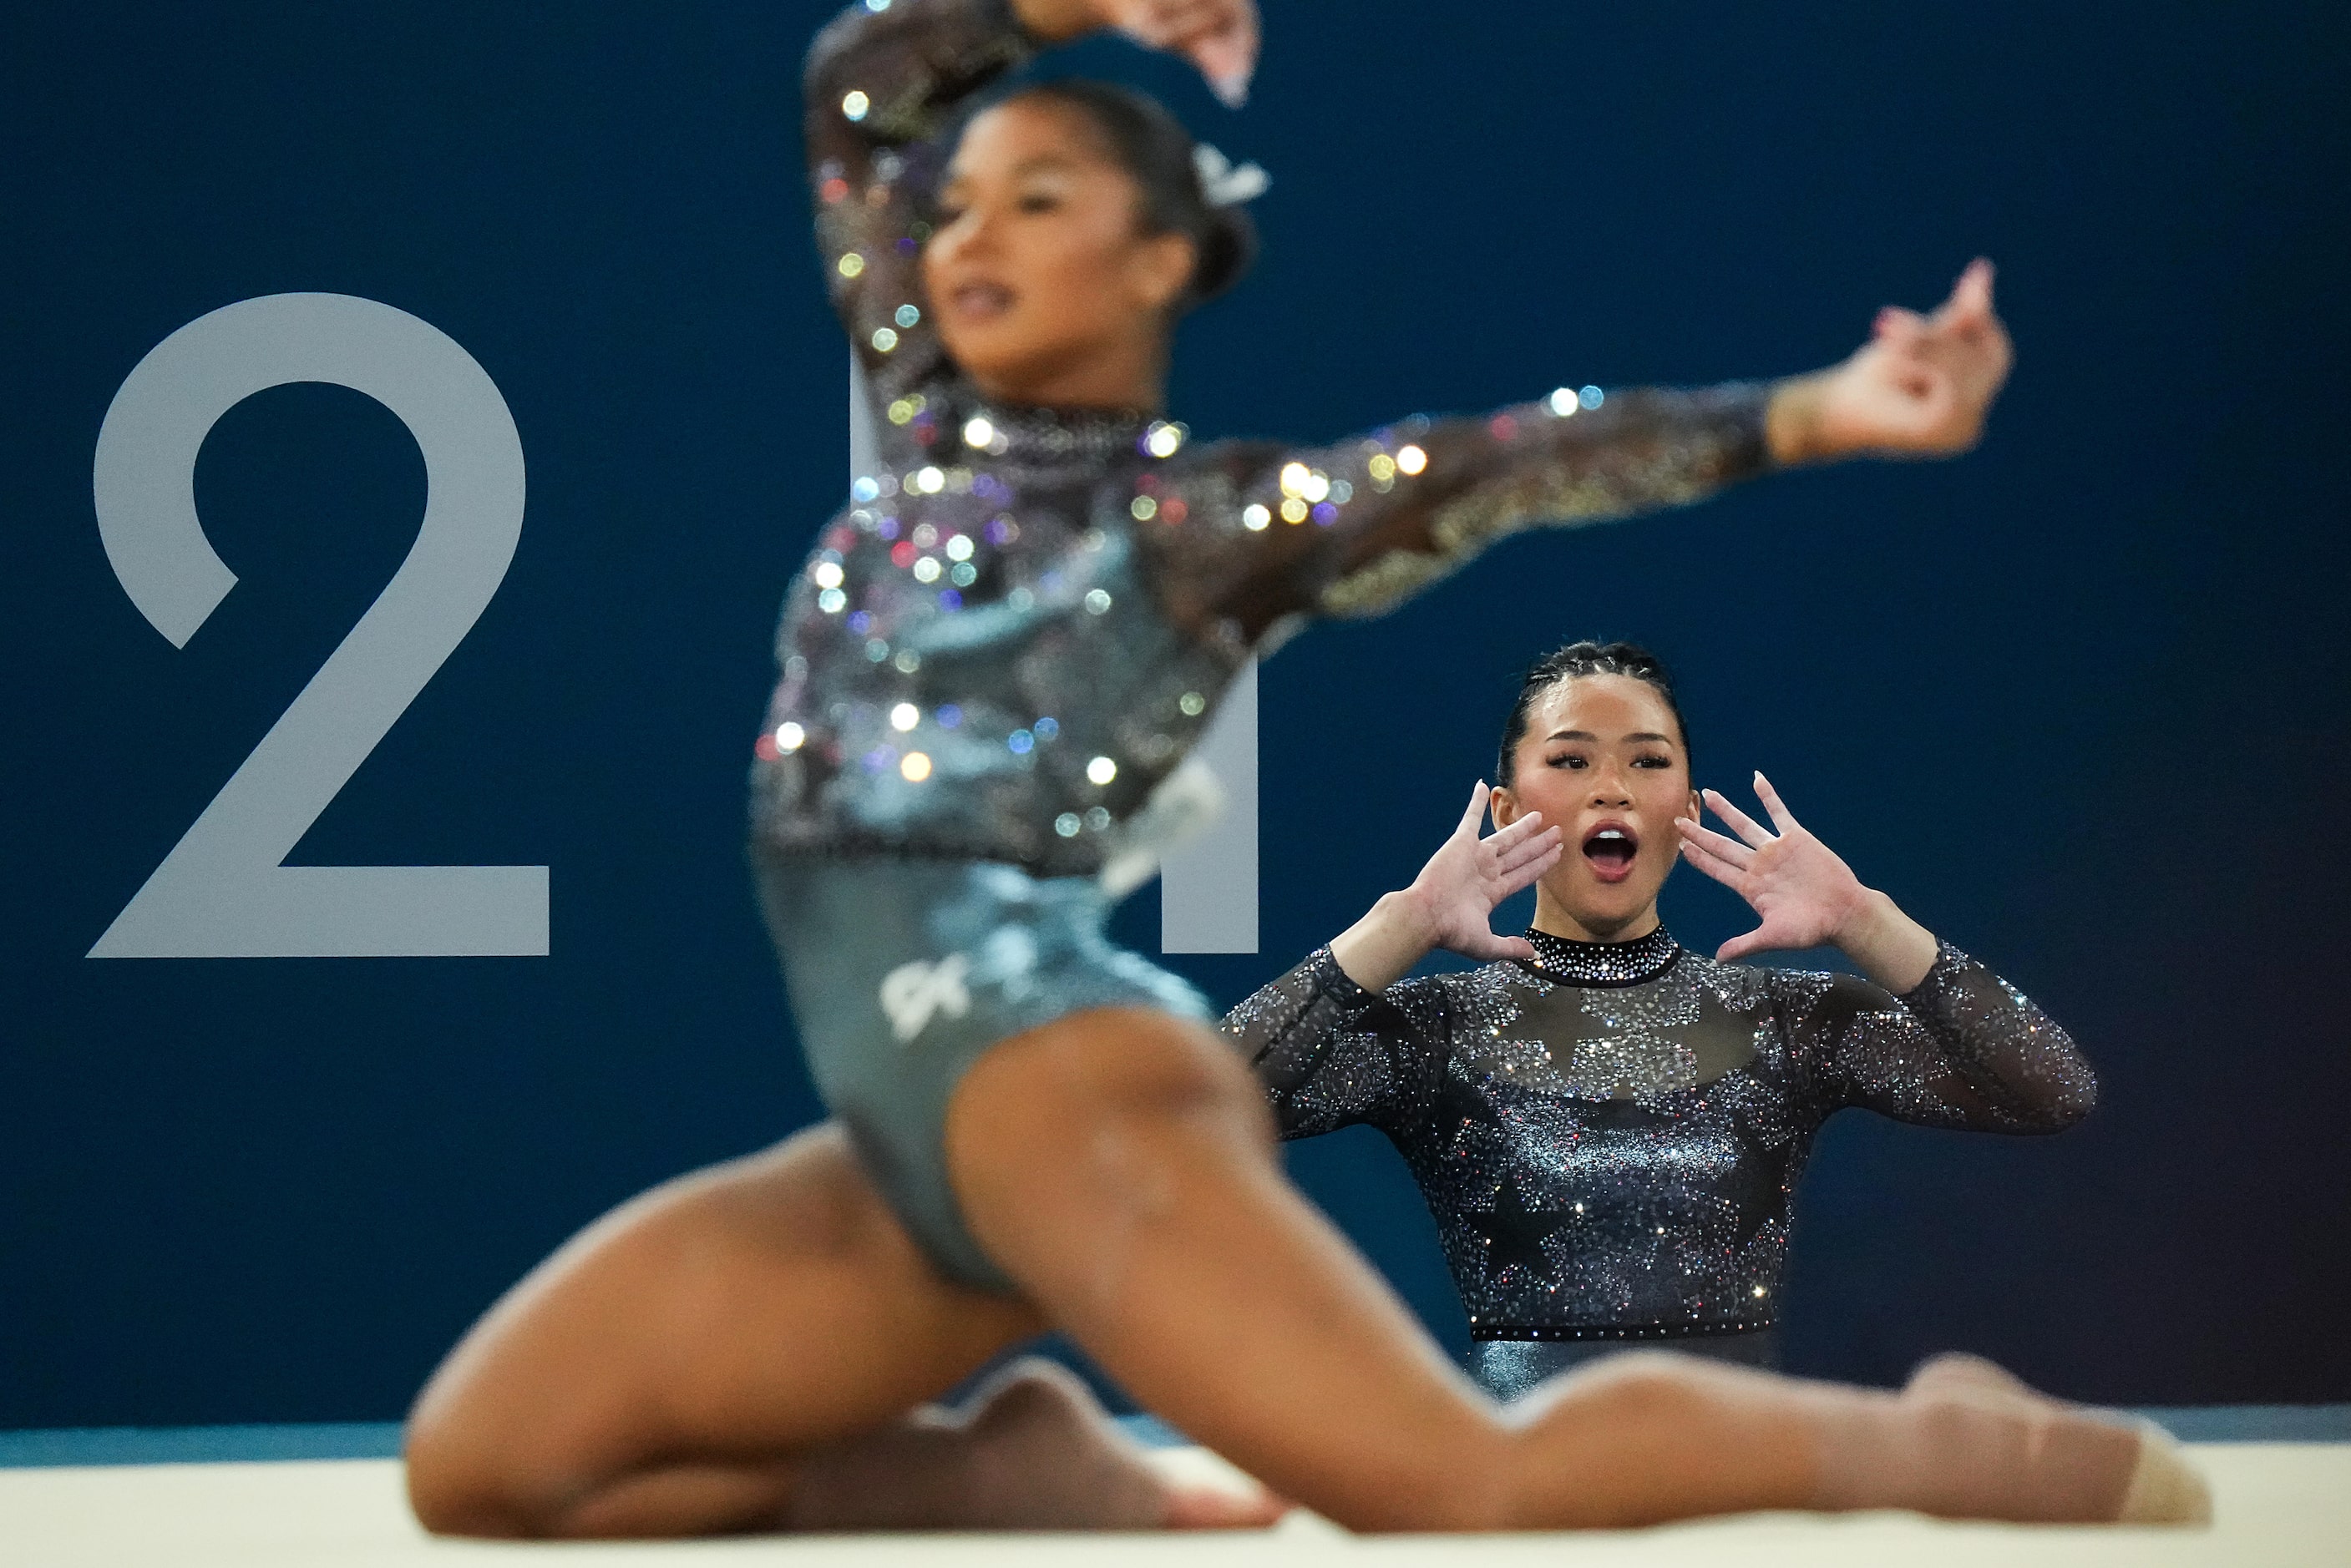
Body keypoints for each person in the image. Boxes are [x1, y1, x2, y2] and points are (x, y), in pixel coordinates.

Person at [402, 0, 2207, 1538]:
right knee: (491, 1471)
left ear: (1163, 259)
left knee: (1460, 1487)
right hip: (904, 1133)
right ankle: (1002, 1477)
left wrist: (1810, 413)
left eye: (1038, 200)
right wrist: (1084, 8)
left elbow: (1495, 466)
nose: (963, 236)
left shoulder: (1190, 528)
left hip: (1062, 1092)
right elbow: (864, 75)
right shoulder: (918, 418)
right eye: (953, 207)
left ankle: (1949, 1442)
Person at [1228, 640, 2097, 1402]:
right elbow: (1195, 1101)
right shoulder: (1434, 1032)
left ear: (1683, 809)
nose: (1611, 788)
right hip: (1518, 1497)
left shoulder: (1787, 1020)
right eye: (1570, 762)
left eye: (1647, 762)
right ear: (1504, 810)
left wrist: (1866, 921)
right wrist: (1399, 926)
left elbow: (2052, 1090)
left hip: (1736, 1496)